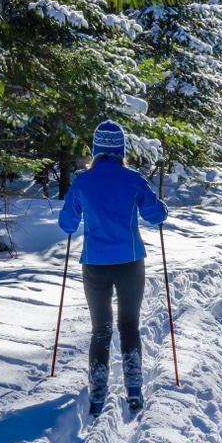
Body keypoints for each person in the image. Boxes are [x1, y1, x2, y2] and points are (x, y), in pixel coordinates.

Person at [58, 120, 168, 417]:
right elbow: (156, 214)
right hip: (130, 261)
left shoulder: (83, 181)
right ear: (120, 149)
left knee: (101, 330)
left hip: (95, 264)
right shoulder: (133, 179)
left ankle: (97, 391)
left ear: (96, 150)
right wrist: (162, 209)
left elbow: (66, 222)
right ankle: (133, 387)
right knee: (129, 324)